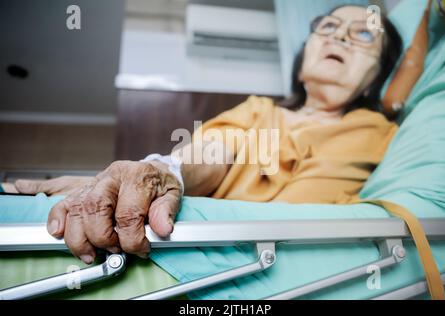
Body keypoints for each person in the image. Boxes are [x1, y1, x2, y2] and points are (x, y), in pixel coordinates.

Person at [13, 5, 403, 264]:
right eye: (329, 27)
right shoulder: (259, 110)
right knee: (45, 195)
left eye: (364, 34)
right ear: (302, 64)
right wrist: (162, 171)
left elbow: (298, 220)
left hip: (263, 255)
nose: (339, 37)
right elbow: (215, 149)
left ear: (376, 76)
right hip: (188, 205)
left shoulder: (373, 132)